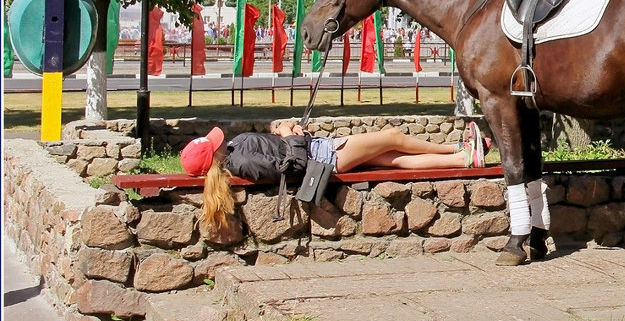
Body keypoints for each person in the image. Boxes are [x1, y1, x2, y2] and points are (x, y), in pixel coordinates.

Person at [183, 120, 492, 236]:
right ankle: (456, 147)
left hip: (323, 151)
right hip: (328, 158)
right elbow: (292, 167)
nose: (220, 141)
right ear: (215, 157)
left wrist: (279, 130)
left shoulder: (236, 151)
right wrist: (291, 135)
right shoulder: (241, 162)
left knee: (394, 160)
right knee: (392, 137)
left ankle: (465, 158)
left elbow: (277, 152)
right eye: (214, 145)